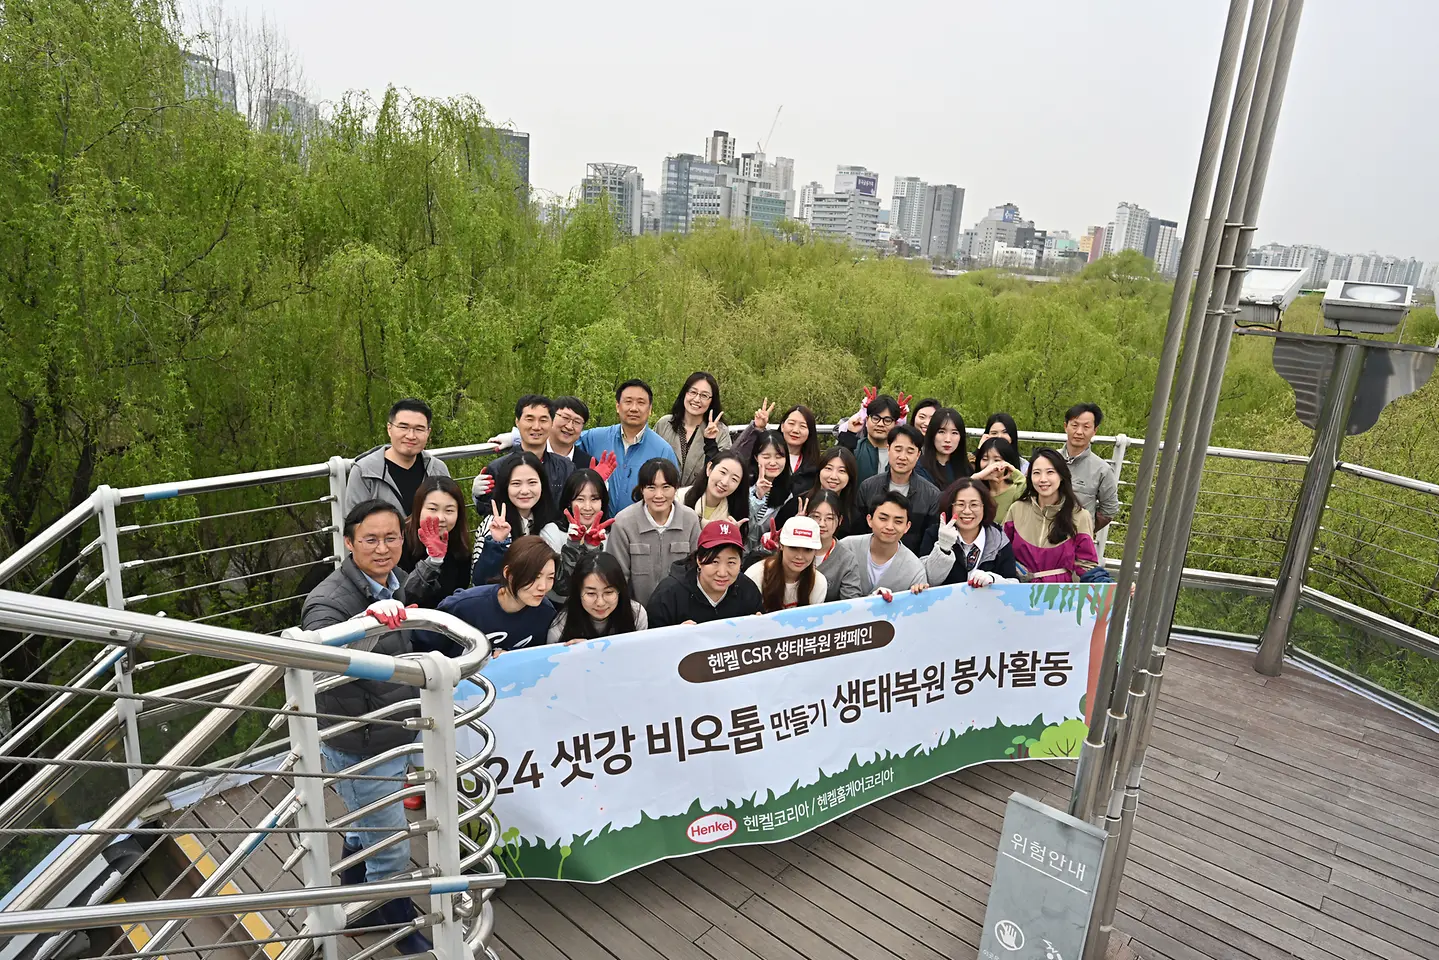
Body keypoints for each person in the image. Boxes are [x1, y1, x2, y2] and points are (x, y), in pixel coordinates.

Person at [300, 500, 431, 954]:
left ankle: (358, 901)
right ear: (349, 542)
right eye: (370, 540)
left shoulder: (388, 581)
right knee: (392, 849)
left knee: (363, 829)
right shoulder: (328, 602)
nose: (382, 548)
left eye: (391, 538)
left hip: (390, 730)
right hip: (360, 742)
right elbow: (318, 671)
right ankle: (407, 938)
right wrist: (365, 628)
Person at [605, 458, 701, 604]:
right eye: (651, 487)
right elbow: (617, 578)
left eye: (666, 487)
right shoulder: (623, 522)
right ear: (641, 489)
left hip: (678, 612)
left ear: (676, 488)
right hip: (636, 613)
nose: (658, 495)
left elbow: (696, 571)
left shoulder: (690, 519)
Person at [440, 536, 557, 651]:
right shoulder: (463, 606)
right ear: (508, 573)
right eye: (534, 577)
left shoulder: (545, 613)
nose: (543, 587)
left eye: (550, 577)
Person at [574, 379, 679, 507]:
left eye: (641, 403)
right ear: (618, 406)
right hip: (596, 523)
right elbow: (563, 445)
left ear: (650, 409)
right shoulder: (593, 438)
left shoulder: (663, 450)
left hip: (640, 525)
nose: (634, 408)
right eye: (628, 402)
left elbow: (672, 495)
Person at [343, 399, 452, 517]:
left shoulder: (438, 469)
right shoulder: (364, 472)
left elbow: (449, 514)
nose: (411, 436)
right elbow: (355, 525)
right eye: (403, 427)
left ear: (428, 432)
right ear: (389, 429)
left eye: (419, 429)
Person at [647, 519, 764, 627]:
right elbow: (650, 643)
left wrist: (758, 629)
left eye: (731, 562)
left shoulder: (748, 590)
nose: (722, 573)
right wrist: (674, 636)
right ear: (699, 560)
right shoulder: (669, 594)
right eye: (714, 561)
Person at [1004, 449, 1098, 583]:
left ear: (1061, 475)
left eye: (1050, 472)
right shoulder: (1017, 509)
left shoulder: (1080, 516)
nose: (1043, 479)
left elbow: (1086, 566)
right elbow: (1001, 551)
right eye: (1036, 473)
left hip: (1058, 594)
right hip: (1018, 589)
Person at [473, 396, 576, 513]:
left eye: (543, 420)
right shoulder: (498, 468)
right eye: (529, 419)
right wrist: (479, 497)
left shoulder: (566, 467)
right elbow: (487, 512)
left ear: (552, 423)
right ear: (517, 422)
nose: (536, 427)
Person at [470, 453, 559, 585]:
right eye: (516, 483)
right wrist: (496, 544)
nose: (525, 491)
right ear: (506, 487)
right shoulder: (494, 523)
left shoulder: (548, 520)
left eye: (532, 483)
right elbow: (479, 581)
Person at [919, 478, 1020, 587]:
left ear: (984, 507)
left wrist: (993, 579)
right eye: (960, 504)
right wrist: (943, 548)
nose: (967, 511)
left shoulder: (998, 539)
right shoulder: (934, 534)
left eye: (974, 505)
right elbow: (928, 581)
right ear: (951, 507)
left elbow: (1013, 584)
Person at [856, 424, 940, 553]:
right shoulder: (868, 487)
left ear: (918, 455)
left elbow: (928, 542)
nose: (902, 457)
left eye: (910, 451)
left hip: (912, 564)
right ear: (888, 449)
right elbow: (859, 531)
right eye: (898, 449)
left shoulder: (931, 495)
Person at [539, 468, 613, 605]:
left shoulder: (612, 533)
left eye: (594, 499)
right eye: (580, 499)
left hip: (602, 606)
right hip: (560, 607)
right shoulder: (552, 532)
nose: (587, 507)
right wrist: (572, 544)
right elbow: (561, 587)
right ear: (569, 502)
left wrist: (593, 547)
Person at [835, 492, 929, 598]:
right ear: (869, 520)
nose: (889, 527)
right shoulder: (846, 547)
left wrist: (918, 594)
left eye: (898, 521)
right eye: (883, 519)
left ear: (907, 526)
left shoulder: (914, 569)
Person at [399, 476, 472, 610]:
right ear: (418, 508)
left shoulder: (459, 545)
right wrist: (433, 561)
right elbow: (401, 597)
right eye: (432, 509)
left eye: (449, 510)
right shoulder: (399, 540)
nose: (440, 518)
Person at [548, 553, 648, 643]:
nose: (600, 603)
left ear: (620, 590)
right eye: (591, 593)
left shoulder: (636, 614)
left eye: (608, 592)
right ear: (578, 593)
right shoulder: (561, 626)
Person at [653, 372, 731, 488]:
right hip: (661, 498)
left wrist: (711, 441)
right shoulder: (664, 424)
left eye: (704, 395)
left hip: (697, 500)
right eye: (693, 392)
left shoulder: (720, 431)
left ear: (712, 401)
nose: (697, 399)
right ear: (685, 393)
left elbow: (722, 473)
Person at [770, 446, 861, 540]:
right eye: (828, 468)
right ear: (819, 471)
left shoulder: (854, 515)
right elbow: (775, 538)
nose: (834, 476)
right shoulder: (797, 504)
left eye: (842, 471)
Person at [734, 402, 821, 498]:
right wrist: (757, 428)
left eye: (803, 426)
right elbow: (735, 458)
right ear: (783, 426)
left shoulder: (814, 466)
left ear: (810, 431)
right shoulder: (763, 452)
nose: (796, 430)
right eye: (791, 423)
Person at [744, 516, 828, 612]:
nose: (800, 556)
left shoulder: (819, 583)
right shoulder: (755, 576)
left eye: (808, 550)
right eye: (793, 548)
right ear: (781, 545)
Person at [1061, 402, 1120, 531]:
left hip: (1077, 542)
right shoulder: (1049, 460)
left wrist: (1086, 528)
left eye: (1086, 427)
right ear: (1066, 427)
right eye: (1075, 425)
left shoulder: (1102, 469)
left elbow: (1110, 508)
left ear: (1094, 431)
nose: (1079, 432)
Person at [485, 396, 591, 465]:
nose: (569, 426)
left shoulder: (588, 464)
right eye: (565, 418)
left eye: (577, 422)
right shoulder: (512, 460)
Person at [837, 392, 904, 485]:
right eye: (876, 418)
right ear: (867, 419)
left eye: (887, 420)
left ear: (895, 424)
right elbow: (837, 463)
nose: (880, 424)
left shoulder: (902, 455)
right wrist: (850, 433)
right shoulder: (854, 449)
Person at [808, 491, 862, 601]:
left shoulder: (847, 559)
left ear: (840, 520)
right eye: (816, 516)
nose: (822, 524)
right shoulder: (793, 546)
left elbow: (850, 602)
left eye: (830, 518)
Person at [745, 431, 794, 552]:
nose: (773, 462)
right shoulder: (742, 484)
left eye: (779, 457)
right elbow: (742, 525)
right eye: (766, 457)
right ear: (756, 457)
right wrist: (757, 497)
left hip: (764, 556)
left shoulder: (788, 493)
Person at [677, 451, 749, 525]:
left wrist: (733, 534)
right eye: (723, 472)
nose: (724, 482)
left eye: (734, 479)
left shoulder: (733, 518)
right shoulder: (679, 499)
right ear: (709, 469)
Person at [973, 436, 1027, 522]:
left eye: (997, 460)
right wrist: (977, 477)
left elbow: (1026, 488)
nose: (990, 465)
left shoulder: (1015, 491)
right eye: (985, 459)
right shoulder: (976, 491)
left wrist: (1014, 472)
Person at [917, 407, 971, 488]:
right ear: (932, 434)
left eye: (954, 433)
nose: (948, 439)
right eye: (941, 432)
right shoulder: (920, 468)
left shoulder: (966, 468)